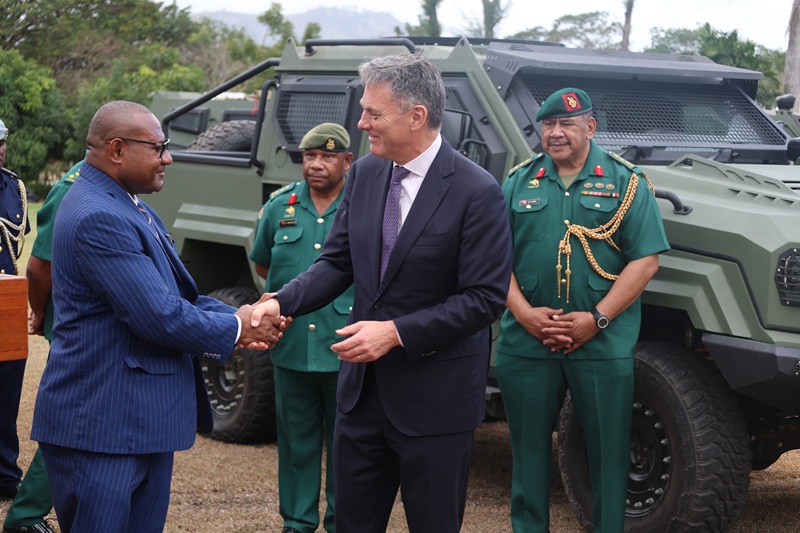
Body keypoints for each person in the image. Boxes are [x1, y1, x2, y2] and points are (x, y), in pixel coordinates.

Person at [252, 53, 513, 533]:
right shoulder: (368, 174)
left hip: (435, 405)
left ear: (416, 116)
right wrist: (277, 302)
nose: (361, 121)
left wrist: (395, 333)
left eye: (374, 113)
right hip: (362, 397)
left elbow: (483, 299)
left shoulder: (478, 192)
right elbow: (337, 263)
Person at [29, 101, 283, 533]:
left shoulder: (125, 203)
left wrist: (242, 313)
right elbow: (159, 317)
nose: (168, 157)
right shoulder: (99, 215)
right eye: (158, 147)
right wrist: (241, 327)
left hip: (131, 422)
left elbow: (176, 296)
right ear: (116, 149)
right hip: (104, 428)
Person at [496, 87, 670, 533]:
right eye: (548, 125)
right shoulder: (519, 182)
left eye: (566, 125)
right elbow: (492, 262)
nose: (555, 134)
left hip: (601, 340)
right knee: (528, 453)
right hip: (528, 342)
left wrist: (598, 319)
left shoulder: (625, 181)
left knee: (608, 455)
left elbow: (645, 259)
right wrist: (526, 315)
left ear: (590, 127)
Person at [250, 123, 355, 533]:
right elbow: (263, 263)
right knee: (296, 442)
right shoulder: (280, 206)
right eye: (310, 156)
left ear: (347, 161)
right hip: (291, 345)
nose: (316, 164)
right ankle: (296, 521)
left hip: (344, 343)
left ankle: (342, 520)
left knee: (347, 445)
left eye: (327, 157)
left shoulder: (361, 204)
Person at [2, 160, 84, 533]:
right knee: (69, 419)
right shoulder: (75, 186)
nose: (164, 158)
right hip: (81, 328)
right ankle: (27, 514)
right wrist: (38, 312)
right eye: (155, 148)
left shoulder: (13, 187)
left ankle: (21, 498)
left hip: (16, 302)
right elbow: (39, 268)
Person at [0, 117, 29, 503]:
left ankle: (5, 473)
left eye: (1, 140)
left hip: (5, 304)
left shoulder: (13, 187)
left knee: (7, 392)